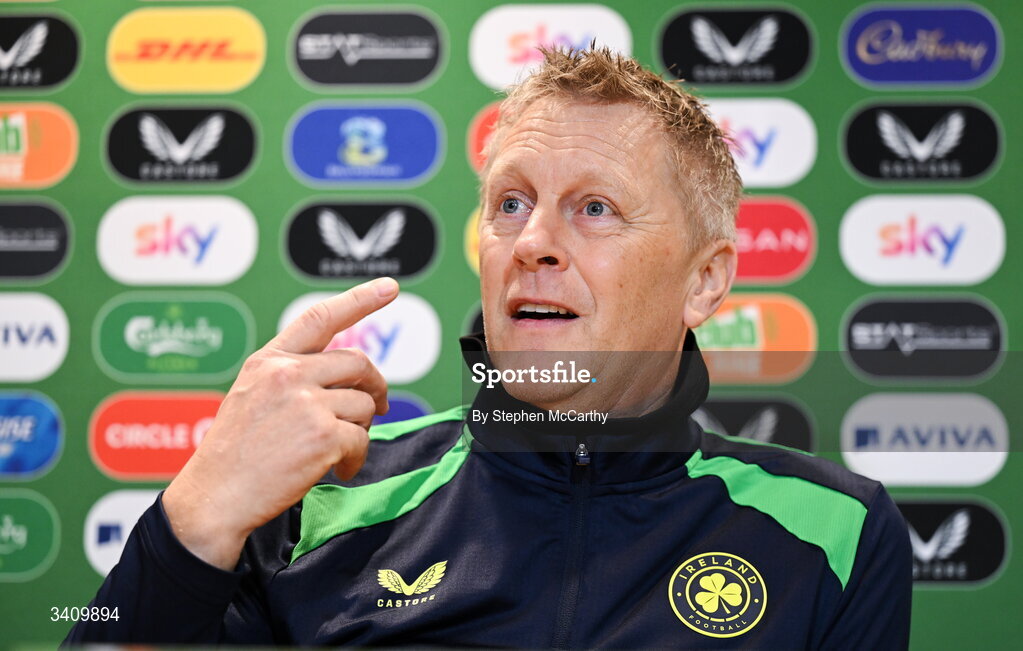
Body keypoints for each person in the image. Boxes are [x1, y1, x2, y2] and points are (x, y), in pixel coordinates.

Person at [64, 47, 911, 648]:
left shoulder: (834, 531)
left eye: (594, 208)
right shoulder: (320, 499)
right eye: (509, 203)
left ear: (703, 279)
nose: (531, 241)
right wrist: (193, 518)